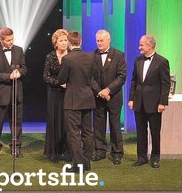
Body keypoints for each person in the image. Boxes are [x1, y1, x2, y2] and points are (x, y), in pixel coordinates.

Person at [57, 30, 99, 171]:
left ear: (69, 43)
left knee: (74, 133)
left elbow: (61, 79)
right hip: (87, 99)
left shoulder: (67, 59)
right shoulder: (90, 57)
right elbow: (92, 78)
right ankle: (86, 163)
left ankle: (79, 165)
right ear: (80, 42)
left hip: (73, 101)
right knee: (87, 132)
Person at [128, 34, 171, 168]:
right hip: (139, 102)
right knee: (141, 131)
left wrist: (162, 102)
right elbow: (134, 81)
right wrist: (131, 99)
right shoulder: (138, 60)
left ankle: (155, 158)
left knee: (155, 132)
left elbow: (165, 84)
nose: (139, 47)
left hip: (154, 103)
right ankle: (141, 157)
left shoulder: (162, 62)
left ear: (150, 46)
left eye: (141, 45)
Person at [0, 27, 27, 158]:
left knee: (17, 122)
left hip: (16, 93)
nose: (11, 42)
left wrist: (19, 72)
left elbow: (24, 68)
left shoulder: (19, 50)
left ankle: (16, 147)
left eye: (12, 39)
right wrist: (8, 76)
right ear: (1, 40)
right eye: (8, 40)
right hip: (0, 93)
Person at [92, 29, 127, 165]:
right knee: (98, 125)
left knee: (115, 125)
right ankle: (100, 151)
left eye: (101, 40)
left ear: (109, 40)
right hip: (98, 97)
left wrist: (108, 90)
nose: (99, 43)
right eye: (97, 41)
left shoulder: (119, 55)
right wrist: (100, 92)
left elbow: (122, 77)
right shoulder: (92, 56)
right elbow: (90, 77)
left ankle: (117, 153)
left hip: (114, 97)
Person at [42, 29, 70, 162]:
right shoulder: (50, 56)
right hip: (54, 94)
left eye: (66, 40)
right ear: (55, 43)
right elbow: (45, 76)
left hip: (69, 93)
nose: (64, 43)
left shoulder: (71, 56)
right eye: (61, 40)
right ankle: (54, 152)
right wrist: (59, 84)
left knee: (67, 121)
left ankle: (68, 151)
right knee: (54, 120)